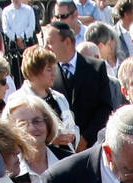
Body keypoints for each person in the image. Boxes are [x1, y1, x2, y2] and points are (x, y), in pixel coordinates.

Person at [47, 17, 114, 145]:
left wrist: (86, 138)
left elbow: (104, 108)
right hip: (63, 147)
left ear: (67, 42)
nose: (46, 47)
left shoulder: (95, 67)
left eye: (50, 42)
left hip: (92, 144)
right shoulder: (49, 73)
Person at [4, 93, 74, 183]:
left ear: (48, 124)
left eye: (37, 121)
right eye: (22, 124)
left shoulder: (71, 161)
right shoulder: (7, 169)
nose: (32, 128)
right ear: (10, 129)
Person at [21, 44, 81, 151]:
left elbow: (73, 127)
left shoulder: (59, 98)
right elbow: (19, 137)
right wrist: (51, 140)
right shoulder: (19, 101)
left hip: (64, 158)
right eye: (49, 69)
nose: (54, 74)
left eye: (54, 68)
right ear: (34, 71)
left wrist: (72, 136)